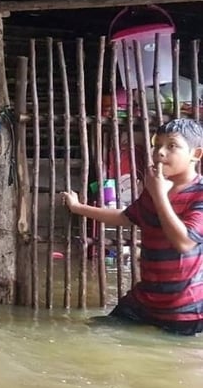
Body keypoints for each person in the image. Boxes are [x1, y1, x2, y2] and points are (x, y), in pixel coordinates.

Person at [62, 118, 203, 335]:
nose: (160, 152)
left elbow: (184, 242)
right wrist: (79, 208)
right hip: (145, 299)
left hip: (185, 308)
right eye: (158, 145)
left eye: (172, 146)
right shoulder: (155, 190)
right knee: (96, 331)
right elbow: (125, 216)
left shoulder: (197, 193)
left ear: (196, 154)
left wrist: (158, 195)